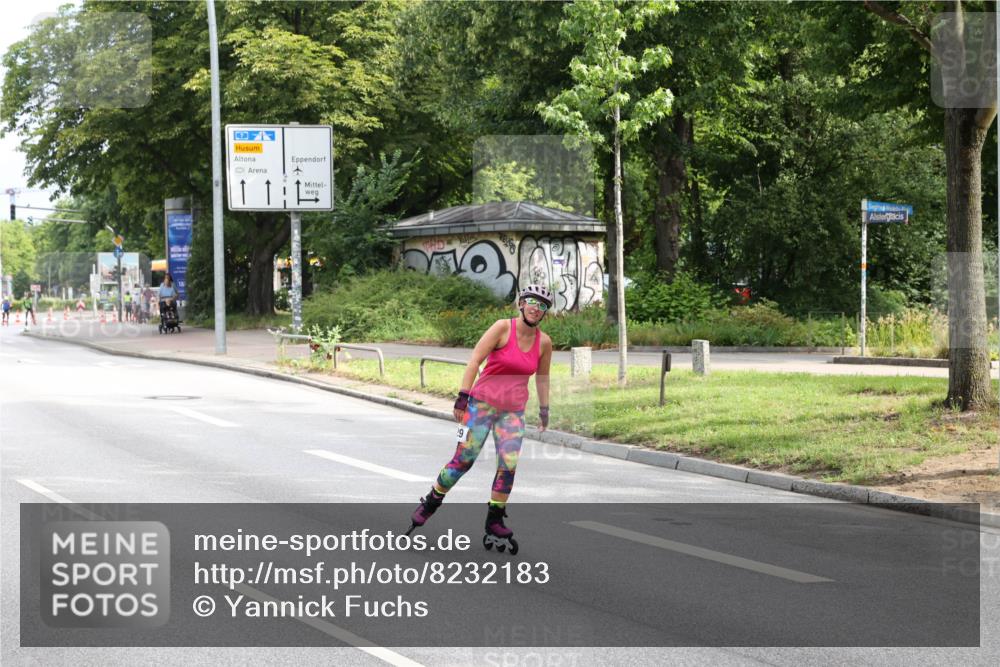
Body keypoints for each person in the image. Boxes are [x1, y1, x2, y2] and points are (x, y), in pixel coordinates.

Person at [407, 284, 554, 555]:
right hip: (480, 406)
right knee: (463, 460)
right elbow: (475, 359)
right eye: (532, 301)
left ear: (545, 312)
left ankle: (495, 519)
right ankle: (431, 500)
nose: (536, 308)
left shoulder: (544, 343)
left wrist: (545, 410)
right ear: (521, 303)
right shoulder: (502, 328)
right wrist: (463, 398)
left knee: (508, 466)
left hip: (512, 412)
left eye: (543, 305)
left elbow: (543, 378)